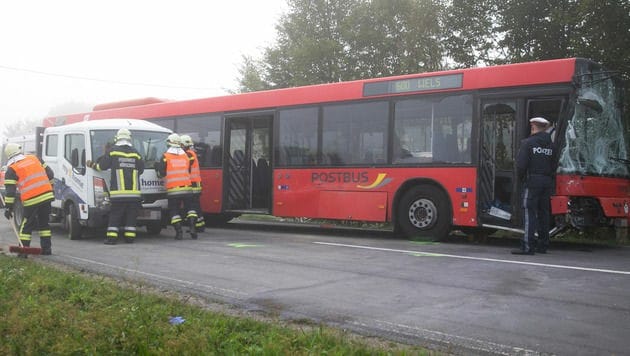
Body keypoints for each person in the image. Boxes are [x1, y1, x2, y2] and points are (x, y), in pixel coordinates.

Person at [87, 128, 145, 245]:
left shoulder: (113, 151)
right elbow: (141, 169)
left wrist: (92, 164)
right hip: (134, 193)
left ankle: (112, 238)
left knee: (115, 215)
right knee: (131, 216)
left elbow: (102, 166)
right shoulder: (136, 153)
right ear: (129, 138)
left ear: (117, 138)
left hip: (118, 193)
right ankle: (130, 238)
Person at [3, 143, 55, 256]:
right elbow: (50, 174)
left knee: (27, 225)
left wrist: (8, 208)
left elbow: (10, 192)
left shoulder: (11, 169)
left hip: (32, 199)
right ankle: (47, 249)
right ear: (19, 150)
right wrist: (52, 189)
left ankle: (23, 251)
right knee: (44, 224)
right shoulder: (34, 158)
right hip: (47, 195)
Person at [513, 117, 555, 255]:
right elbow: (554, 165)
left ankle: (528, 246)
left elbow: (521, 166)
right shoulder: (551, 145)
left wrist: (521, 180)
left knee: (529, 212)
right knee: (544, 213)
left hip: (532, 182)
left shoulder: (528, 143)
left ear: (533, 127)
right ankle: (543, 245)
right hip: (547, 182)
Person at [155, 133, 197, 240]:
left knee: (174, 211)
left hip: (174, 190)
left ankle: (179, 232)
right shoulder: (186, 156)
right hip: (188, 188)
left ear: (169, 143)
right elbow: (188, 170)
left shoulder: (165, 157)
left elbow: (161, 174)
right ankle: (192, 228)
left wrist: (157, 167)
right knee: (191, 209)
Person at [180, 135, 205, 232]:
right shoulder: (192, 153)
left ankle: (197, 226)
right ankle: (200, 224)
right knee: (196, 206)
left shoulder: (188, 155)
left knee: (192, 206)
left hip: (193, 184)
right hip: (196, 184)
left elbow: (185, 167)